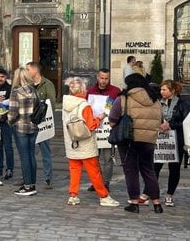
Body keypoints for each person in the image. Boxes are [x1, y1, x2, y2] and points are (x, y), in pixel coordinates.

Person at [109, 73, 162, 213]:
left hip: (129, 139)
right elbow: (159, 120)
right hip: (149, 140)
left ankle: (134, 202)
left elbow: (112, 120)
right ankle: (157, 203)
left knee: (131, 171)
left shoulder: (123, 98)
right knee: (148, 170)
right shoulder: (155, 100)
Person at [62, 77, 119, 207]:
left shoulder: (66, 104)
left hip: (72, 142)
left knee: (74, 169)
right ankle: (104, 196)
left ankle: (73, 195)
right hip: (85, 143)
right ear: (82, 89)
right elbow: (91, 125)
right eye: (85, 87)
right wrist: (100, 118)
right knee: (94, 172)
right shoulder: (84, 105)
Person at [139, 80, 190, 207]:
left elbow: (186, 122)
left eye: (164, 90)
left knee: (174, 168)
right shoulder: (157, 103)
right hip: (160, 139)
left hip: (176, 139)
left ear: (172, 91)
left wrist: (171, 125)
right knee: (155, 166)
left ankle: (169, 195)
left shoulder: (183, 104)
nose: (161, 92)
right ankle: (147, 192)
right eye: (161, 90)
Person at [86, 68, 121, 191]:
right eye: (102, 78)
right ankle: (96, 181)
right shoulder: (90, 91)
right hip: (93, 128)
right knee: (93, 158)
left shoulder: (115, 91)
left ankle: (105, 183)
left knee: (107, 158)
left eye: (106, 78)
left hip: (107, 130)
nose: (104, 81)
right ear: (97, 77)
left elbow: (119, 109)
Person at [8, 67, 39, 196]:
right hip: (33, 126)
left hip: (20, 127)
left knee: (24, 156)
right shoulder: (34, 90)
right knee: (31, 155)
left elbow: (13, 113)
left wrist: (9, 121)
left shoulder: (16, 92)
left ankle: (27, 186)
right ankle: (32, 183)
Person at [25, 61, 55, 189]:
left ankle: (48, 178)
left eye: (28, 69)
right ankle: (26, 177)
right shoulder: (27, 85)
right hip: (28, 122)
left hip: (43, 123)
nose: (26, 72)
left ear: (35, 70)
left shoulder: (47, 84)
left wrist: (45, 120)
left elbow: (51, 104)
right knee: (26, 152)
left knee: (45, 152)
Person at [0, 68, 14, 180]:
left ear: (6, 77)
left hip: (6, 122)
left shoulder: (10, 89)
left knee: (8, 146)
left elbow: (12, 105)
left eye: (2, 77)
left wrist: (4, 117)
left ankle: (10, 169)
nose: (0, 79)